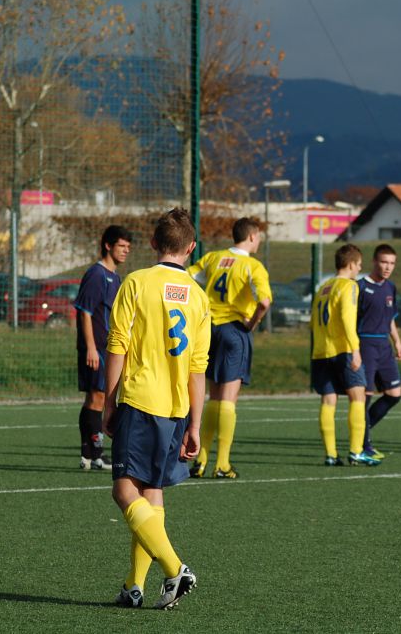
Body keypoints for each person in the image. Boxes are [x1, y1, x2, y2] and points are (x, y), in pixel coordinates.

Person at [102, 208, 211, 610]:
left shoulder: (136, 282)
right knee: (152, 493)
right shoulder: (199, 298)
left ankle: (174, 568)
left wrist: (108, 399)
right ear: (192, 248)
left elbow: (117, 344)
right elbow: (198, 370)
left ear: (152, 244)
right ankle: (133, 587)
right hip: (176, 408)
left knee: (123, 489)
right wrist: (195, 424)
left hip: (140, 399)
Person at [186, 217, 272, 479]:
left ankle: (200, 460)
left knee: (213, 397)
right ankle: (222, 463)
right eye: (258, 237)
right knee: (228, 399)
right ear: (251, 237)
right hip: (235, 330)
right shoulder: (252, 266)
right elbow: (265, 301)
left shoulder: (213, 258)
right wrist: (253, 323)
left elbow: (188, 276)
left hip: (209, 328)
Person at [311, 244, 380, 466]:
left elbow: (313, 323)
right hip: (343, 350)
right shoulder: (348, 286)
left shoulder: (323, 287)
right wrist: (355, 350)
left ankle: (331, 455)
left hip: (321, 352)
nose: (359, 269)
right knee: (358, 398)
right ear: (351, 264)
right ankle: (356, 451)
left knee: (328, 400)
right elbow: (347, 319)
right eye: (359, 265)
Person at [73, 224, 132, 470]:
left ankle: (87, 454)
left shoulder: (115, 276)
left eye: (128, 247)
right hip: (96, 347)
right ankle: (96, 453)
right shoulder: (97, 274)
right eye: (121, 246)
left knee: (96, 397)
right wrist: (90, 348)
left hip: (107, 347)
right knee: (97, 398)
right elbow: (84, 312)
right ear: (108, 245)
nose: (126, 251)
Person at [357, 244, 401, 459]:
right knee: (365, 396)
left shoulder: (390, 287)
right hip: (365, 345)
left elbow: (390, 319)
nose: (388, 267)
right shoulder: (359, 287)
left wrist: (397, 342)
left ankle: (361, 431)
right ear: (374, 262)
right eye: (384, 262)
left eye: (392, 263)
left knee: (394, 395)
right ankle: (363, 444)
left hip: (384, 347)